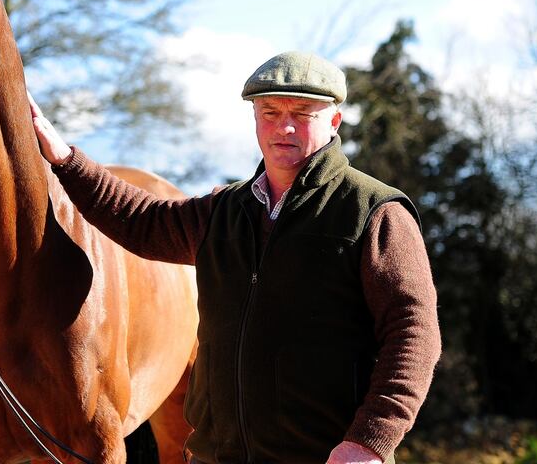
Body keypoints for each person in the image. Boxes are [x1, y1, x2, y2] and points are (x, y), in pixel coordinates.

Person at [29, 51, 442, 464]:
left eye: (302, 112)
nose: (284, 126)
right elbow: (139, 220)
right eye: (269, 111)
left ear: (334, 121)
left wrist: (370, 441)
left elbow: (415, 334)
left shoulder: (374, 212)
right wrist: (66, 159)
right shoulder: (224, 211)